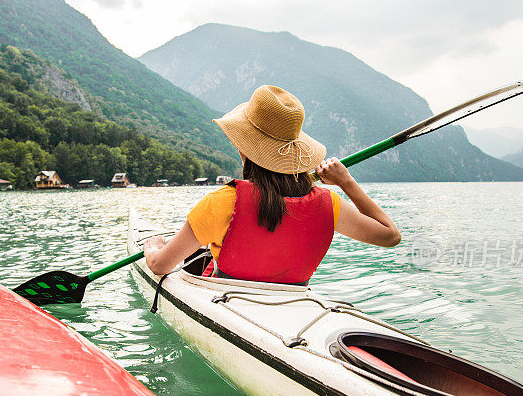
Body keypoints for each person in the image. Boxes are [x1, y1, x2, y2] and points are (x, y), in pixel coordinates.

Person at [143, 85, 400, 284]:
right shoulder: (330, 204)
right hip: (294, 305)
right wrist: (346, 182)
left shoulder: (221, 202)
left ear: (244, 148)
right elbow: (390, 236)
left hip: (228, 303)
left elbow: (159, 266)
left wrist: (153, 246)